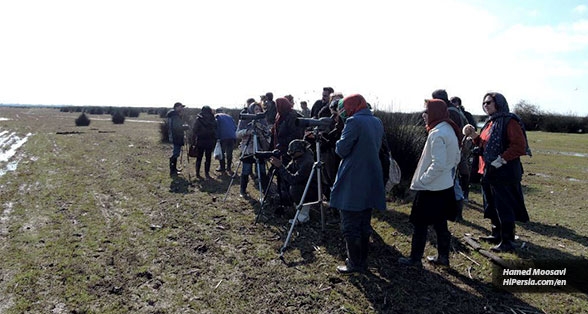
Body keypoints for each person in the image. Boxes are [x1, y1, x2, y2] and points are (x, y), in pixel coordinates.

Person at [398, 99, 461, 267]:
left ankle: (415, 259)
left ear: (434, 113)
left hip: (431, 188)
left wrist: (422, 180)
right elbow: (456, 158)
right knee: (441, 223)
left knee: (420, 224)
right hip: (445, 185)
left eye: (426, 111)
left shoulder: (437, 133)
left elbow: (438, 164)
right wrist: (446, 174)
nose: (423, 115)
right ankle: (443, 257)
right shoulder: (450, 129)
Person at [463, 92, 530, 252]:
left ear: (499, 103)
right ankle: (496, 234)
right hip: (488, 171)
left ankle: (507, 241)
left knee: (504, 206)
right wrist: (473, 136)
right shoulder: (490, 123)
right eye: (484, 103)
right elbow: (483, 143)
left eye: (489, 102)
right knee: (492, 204)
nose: (485, 106)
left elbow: (519, 146)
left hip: (504, 173)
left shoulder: (510, 121)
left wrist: (499, 161)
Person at [330, 94, 386, 274]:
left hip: (354, 177)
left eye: (344, 108)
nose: (343, 112)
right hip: (371, 175)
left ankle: (354, 263)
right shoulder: (376, 121)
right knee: (364, 221)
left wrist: (339, 138)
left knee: (350, 223)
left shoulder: (353, 122)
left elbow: (341, 149)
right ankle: (362, 260)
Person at [432, 89, 468, 220]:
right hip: (455, 148)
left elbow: (452, 132)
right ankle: (454, 211)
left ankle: (457, 213)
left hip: (452, 149)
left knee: (453, 179)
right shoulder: (452, 109)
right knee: (453, 178)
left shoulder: (450, 112)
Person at [269, 139, 318, 224]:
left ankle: (303, 216)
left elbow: (293, 179)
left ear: (300, 151)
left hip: (311, 190)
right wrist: (278, 166)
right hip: (304, 186)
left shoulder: (307, 162)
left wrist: (280, 167)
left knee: (295, 188)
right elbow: (286, 172)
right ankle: (289, 205)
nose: (291, 155)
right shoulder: (298, 157)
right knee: (283, 187)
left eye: (293, 153)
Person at [273, 97, 305, 211]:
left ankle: (289, 200)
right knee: (280, 175)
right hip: (280, 149)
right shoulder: (279, 116)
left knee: (287, 173)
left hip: (290, 150)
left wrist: (283, 142)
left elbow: (296, 134)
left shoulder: (292, 116)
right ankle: (282, 197)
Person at [236, 101, 271, 198]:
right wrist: (248, 131)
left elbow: (268, 133)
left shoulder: (263, 120)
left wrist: (262, 132)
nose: (257, 112)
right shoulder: (244, 119)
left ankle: (265, 190)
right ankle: (243, 190)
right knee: (246, 171)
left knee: (262, 171)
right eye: (255, 109)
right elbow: (237, 133)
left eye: (259, 110)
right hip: (248, 149)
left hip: (260, 149)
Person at [192, 106, 217, 179]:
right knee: (208, 157)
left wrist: (193, 141)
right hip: (210, 140)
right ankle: (207, 173)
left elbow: (194, 130)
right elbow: (215, 128)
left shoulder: (199, 119)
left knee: (199, 157)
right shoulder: (213, 119)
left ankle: (197, 173)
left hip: (200, 140)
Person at [166, 102, 188, 176]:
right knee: (176, 153)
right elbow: (176, 127)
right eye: (181, 107)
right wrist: (185, 127)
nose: (182, 108)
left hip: (176, 136)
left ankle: (174, 169)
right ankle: (172, 170)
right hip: (176, 136)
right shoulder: (175, 116)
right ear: (176, 107)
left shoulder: (174, 115)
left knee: (176, 153)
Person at [214, 108, 237, 175]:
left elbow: (217, 127)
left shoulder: (217, 117)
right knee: (229, 153)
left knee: (222, 153)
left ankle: (222, 168)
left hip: (223, 137)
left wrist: (217, 137)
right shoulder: (229, 117)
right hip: (232, 136)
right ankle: (229, 168)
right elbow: (235, 127)